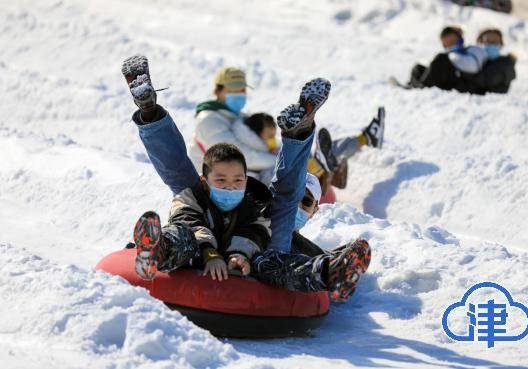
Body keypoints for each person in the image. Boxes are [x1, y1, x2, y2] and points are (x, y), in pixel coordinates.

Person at [121, 55, 371, 302]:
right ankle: (157, 250)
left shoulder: (256, 206)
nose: (230, 188)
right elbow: (189, 214)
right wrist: (209, 252)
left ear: (316, 210)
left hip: (249, 257)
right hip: (198, 245)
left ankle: (329, 273)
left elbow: (269, 230)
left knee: (273, 260)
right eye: (222, 182)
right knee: (183, 229)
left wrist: (335, 260)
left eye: (306, 203)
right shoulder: (201, 194)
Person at [188, 67, 278, 175]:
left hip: (236, 178)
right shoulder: (208, 120)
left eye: (242, 90)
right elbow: (236, 157)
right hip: (211, 184)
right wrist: (280, 161)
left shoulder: (239, 116)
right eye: (233, 90)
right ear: (218, 91)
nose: (239, 94)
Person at [409, 26, 488, 92]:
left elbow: (473, 67)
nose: (450, 43)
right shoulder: (448, 55)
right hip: (447, 80)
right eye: (446, 42)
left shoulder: (471, 49)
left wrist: (452, 57)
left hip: (464, 83)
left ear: (459, 39)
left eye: (452, 39)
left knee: (441, 58)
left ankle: (422, 89)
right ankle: (413, 86)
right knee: (418, 68)